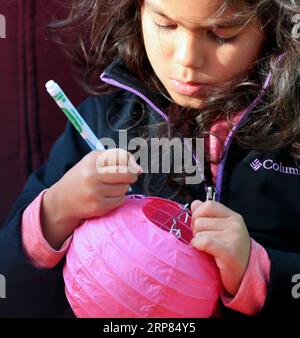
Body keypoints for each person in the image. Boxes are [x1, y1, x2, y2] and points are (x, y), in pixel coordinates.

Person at [0, 0, 299, 318]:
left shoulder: (291, 135)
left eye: (222, 34)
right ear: (135, 10)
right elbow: (11, 294)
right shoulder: (103, 123)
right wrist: (56, 212)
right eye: (167, 25)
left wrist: (257, 272)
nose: (187, 59)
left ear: (273, 25)